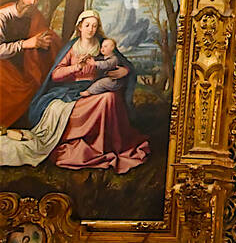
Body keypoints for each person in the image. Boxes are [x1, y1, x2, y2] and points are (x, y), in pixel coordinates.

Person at [0, 10, 149, 172]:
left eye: (94, 26)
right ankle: (91, 144)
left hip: (95, 88)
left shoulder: (103, 45)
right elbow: (55, 75)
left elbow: (123, 64)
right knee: (100, 100)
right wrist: (75, 68)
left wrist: (125, 71)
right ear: (80, 27)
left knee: (110, 98)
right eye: (87, 25)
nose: (91, 29)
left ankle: (106, 144)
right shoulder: (72, 47)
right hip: (70, 91)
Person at [0, 0, 60, 130]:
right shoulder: (3, 15)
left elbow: (42, 35)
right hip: (4, 63)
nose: (33, 2)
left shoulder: (34, 15)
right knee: (12, 88)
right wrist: (26, 44)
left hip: (25, 63)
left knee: (34, 82)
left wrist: (45, 41)